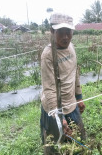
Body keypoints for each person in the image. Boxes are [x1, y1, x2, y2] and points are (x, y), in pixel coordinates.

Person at [40, 13, 86, 154]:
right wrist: (59, 117)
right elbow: (49, 89)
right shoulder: (48, 55)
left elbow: (74, 73)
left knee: (79, 139)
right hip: (53, 108)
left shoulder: (71, 47)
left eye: (69, 32)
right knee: (55, 145)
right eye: (61, 32)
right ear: (52, 31)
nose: (66, 36)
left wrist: (79, 97)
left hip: (71, 103)